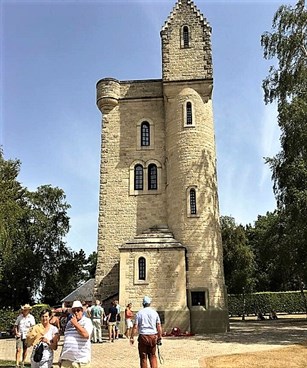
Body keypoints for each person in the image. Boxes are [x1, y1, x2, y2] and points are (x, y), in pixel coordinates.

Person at [130, 296, 162, 368]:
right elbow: (159, 326)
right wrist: (159, 337)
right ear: (149, 303)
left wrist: (132, 337)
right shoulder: (155, 313)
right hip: (153, 336)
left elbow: (135, 326)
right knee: (153, 356)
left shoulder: (139, 313)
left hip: (143, 336)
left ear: (143, 304)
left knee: (143, 357)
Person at [59, 300, 93, 368]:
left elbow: (85, 335)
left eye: (78, 310)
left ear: (82, 311)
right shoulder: (69, 323)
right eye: (74, 311)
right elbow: (66, 341)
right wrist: (61, 357)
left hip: (81, 361)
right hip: (67, 361)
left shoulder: (87, 321)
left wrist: (75, 324)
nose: (76, 312)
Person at [14, 303, 36, 368]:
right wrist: (16, 332)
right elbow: (15, 325)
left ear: (28, 310)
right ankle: (17, 363)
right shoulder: (19, 317)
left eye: (26, 310)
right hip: (20, 335)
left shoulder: (31, 317)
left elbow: (33, 327)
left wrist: (31, 334)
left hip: (27, 335)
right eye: (24, 310)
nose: (25, 311)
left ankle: (23, 362)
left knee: (25, 349)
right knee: (18, 349)